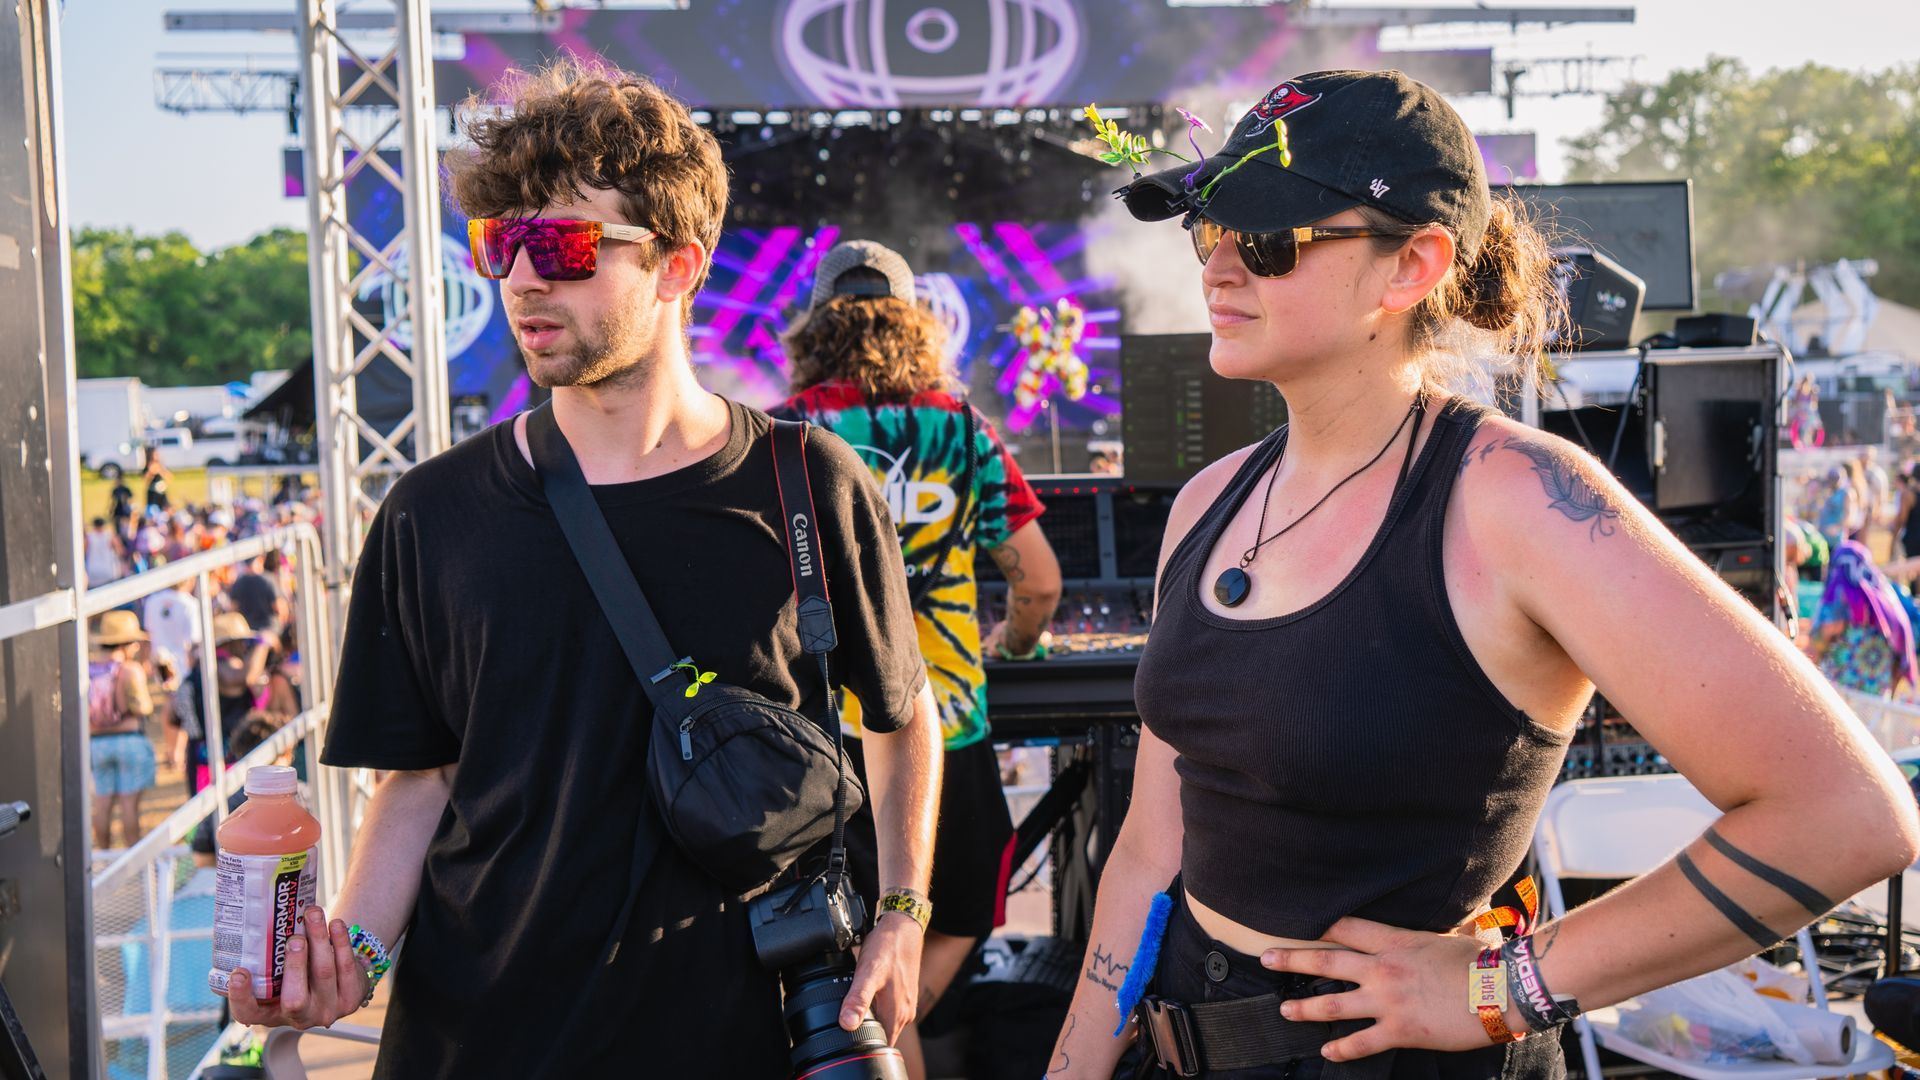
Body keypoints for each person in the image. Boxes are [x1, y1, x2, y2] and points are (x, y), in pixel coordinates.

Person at [1047, 70, 1918, 1079]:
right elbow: (1152, 846)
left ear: (1411, 266)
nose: (1221, 271)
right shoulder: (1209, 504)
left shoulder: (1517, 500)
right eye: (1212, 234)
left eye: (1272, 241)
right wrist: (1076, 1063)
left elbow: (1847, 815)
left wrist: (1509, 988)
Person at [226, 57, 943, 1077]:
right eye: (501, 243)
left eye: (562, 243)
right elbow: (418, 783)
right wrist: (360, 956)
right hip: (478, 1040)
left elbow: (902, 714)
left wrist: (904, 914)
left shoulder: (808, 483)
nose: (523, 277)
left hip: (738, 1035)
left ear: (680, 265)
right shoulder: (430, 513)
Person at [776, 238, 1064, 1079]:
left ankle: (867, 1039)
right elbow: (1038, 583)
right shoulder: (964, 430)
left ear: (817, 322)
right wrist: (1007, 646)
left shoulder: (788, 432)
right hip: (948, 729)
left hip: (824, 741)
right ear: (914, 323)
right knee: (958, 912)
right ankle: (881, 1035)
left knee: (856, 946)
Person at [1809, 539, 1917, 700]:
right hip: (1877, 698)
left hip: (1840, 695)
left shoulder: (1841, 594)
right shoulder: (1888, 600)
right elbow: (1901, 650)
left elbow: (1822, 638)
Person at [88, 610, 157, 849]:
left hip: (95, 743)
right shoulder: (129, 670)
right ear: (127, 642)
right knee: (129, 806)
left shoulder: (86, 669)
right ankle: (133, 857)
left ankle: (103, 857)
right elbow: (143, 707)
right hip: (129, 740)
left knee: (102, 804)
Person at [83, 516, 125, 590]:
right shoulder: (110, 536)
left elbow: (84, 553)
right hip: (108, 571)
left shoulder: (89, 537)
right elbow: (120, 551)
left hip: (93, 571)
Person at [143, 448, 173, 515]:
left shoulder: (161, 465)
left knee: (165, 510)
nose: (157, 456)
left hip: (162, 493)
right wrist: (151, 472)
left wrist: (161, 470)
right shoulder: (147, 466)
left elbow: (169, 476)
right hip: (153, 495)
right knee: (153, 512)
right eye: (155, 454)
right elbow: (145, 479)